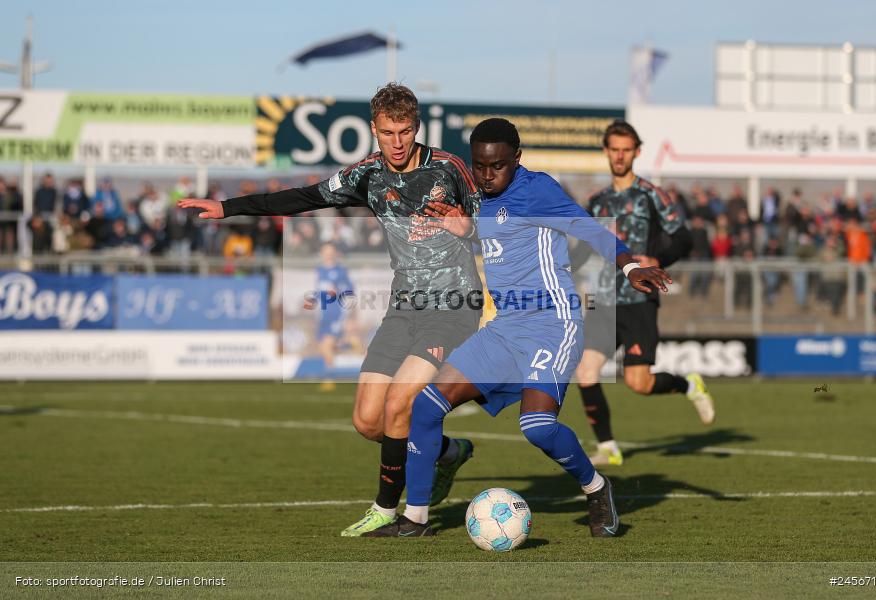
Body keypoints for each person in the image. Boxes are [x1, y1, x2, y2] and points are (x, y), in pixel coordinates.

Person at [178, 83, 482, 536]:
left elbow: (501, 225)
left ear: (417, 128)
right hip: (403, 309)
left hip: (452, 306)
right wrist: (228, 207)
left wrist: (469, 226)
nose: (396, 143)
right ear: (374, 131)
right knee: (367, 421)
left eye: (404, 131)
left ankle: (391, 511)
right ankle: (445, 452)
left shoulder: (450, 167)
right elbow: (303, 197)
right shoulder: (368, 175)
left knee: (402, 402)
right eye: (386, 133)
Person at [363, 118, 671, 538]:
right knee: (426, 406)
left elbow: (590, 229)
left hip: (553, 324)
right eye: (480, 166)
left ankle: (596, 487)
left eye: (498, 166)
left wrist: (631, 265)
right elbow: (501, 242)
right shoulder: (478, 199)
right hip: (504, 329)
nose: (487, 176)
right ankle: (415, 518)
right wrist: (466, 231)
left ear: (517, 159)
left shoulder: (537, 189)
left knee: (537, 428)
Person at [571, 120, 714, 467]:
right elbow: (584, 252)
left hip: (639, 301)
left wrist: (657, 258)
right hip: (604, 302)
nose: (619, 156)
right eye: (614, 149)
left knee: (639, 382)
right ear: (606, 152)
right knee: (585, 372)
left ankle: (687, 385)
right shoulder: (596, 202)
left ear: (636, 152)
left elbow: (684, 237)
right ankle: (608, 447)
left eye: (626, 149)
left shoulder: (651, 194)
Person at [304, 242, 355, 381]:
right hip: (322, 313)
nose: (328, 254)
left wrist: (338, 292)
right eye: (325, 251)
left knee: (327, 344)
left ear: (334, 253)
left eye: (330, 251)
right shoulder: (320, 270)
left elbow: (350, 290)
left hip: (335, 312)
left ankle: (329, 376)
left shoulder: (340, 270)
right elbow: (317, 291)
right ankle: (343, 345)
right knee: (321, 345)